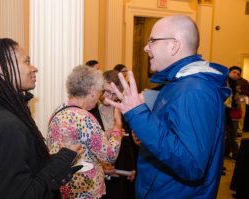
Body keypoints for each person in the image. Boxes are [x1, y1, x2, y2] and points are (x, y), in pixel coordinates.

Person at [106, 15, 230, 198]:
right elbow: (173, 137)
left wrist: (138, 115)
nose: (146, 47)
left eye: (152, 41)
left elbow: (191, 165)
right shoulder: (179, 84)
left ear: (174, 45)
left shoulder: (194, 90)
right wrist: (145, 134)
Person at [0, 38, 83, 199]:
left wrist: (63, 158)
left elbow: (23, 168)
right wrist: (61, 161)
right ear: (1, 69)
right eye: (27, 62)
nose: (34, 68)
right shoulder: (3, 126)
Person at [47, 65, 123, 199]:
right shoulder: (85, 117)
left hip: (63, 187)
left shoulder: (58, 110)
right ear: (92, 91)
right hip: (84, 192)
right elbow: (110, 156)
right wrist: (117, 127)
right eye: (100, 92)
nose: (99, 96)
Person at [98, 70, 136, 199]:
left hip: (120, 172)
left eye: (114, 94)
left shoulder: (125, 110)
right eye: (106, 91)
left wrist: (133, 168)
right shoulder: (89, 109)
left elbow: (131, 144)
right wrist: (105, 134)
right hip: (98, 174)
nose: (109, 97)